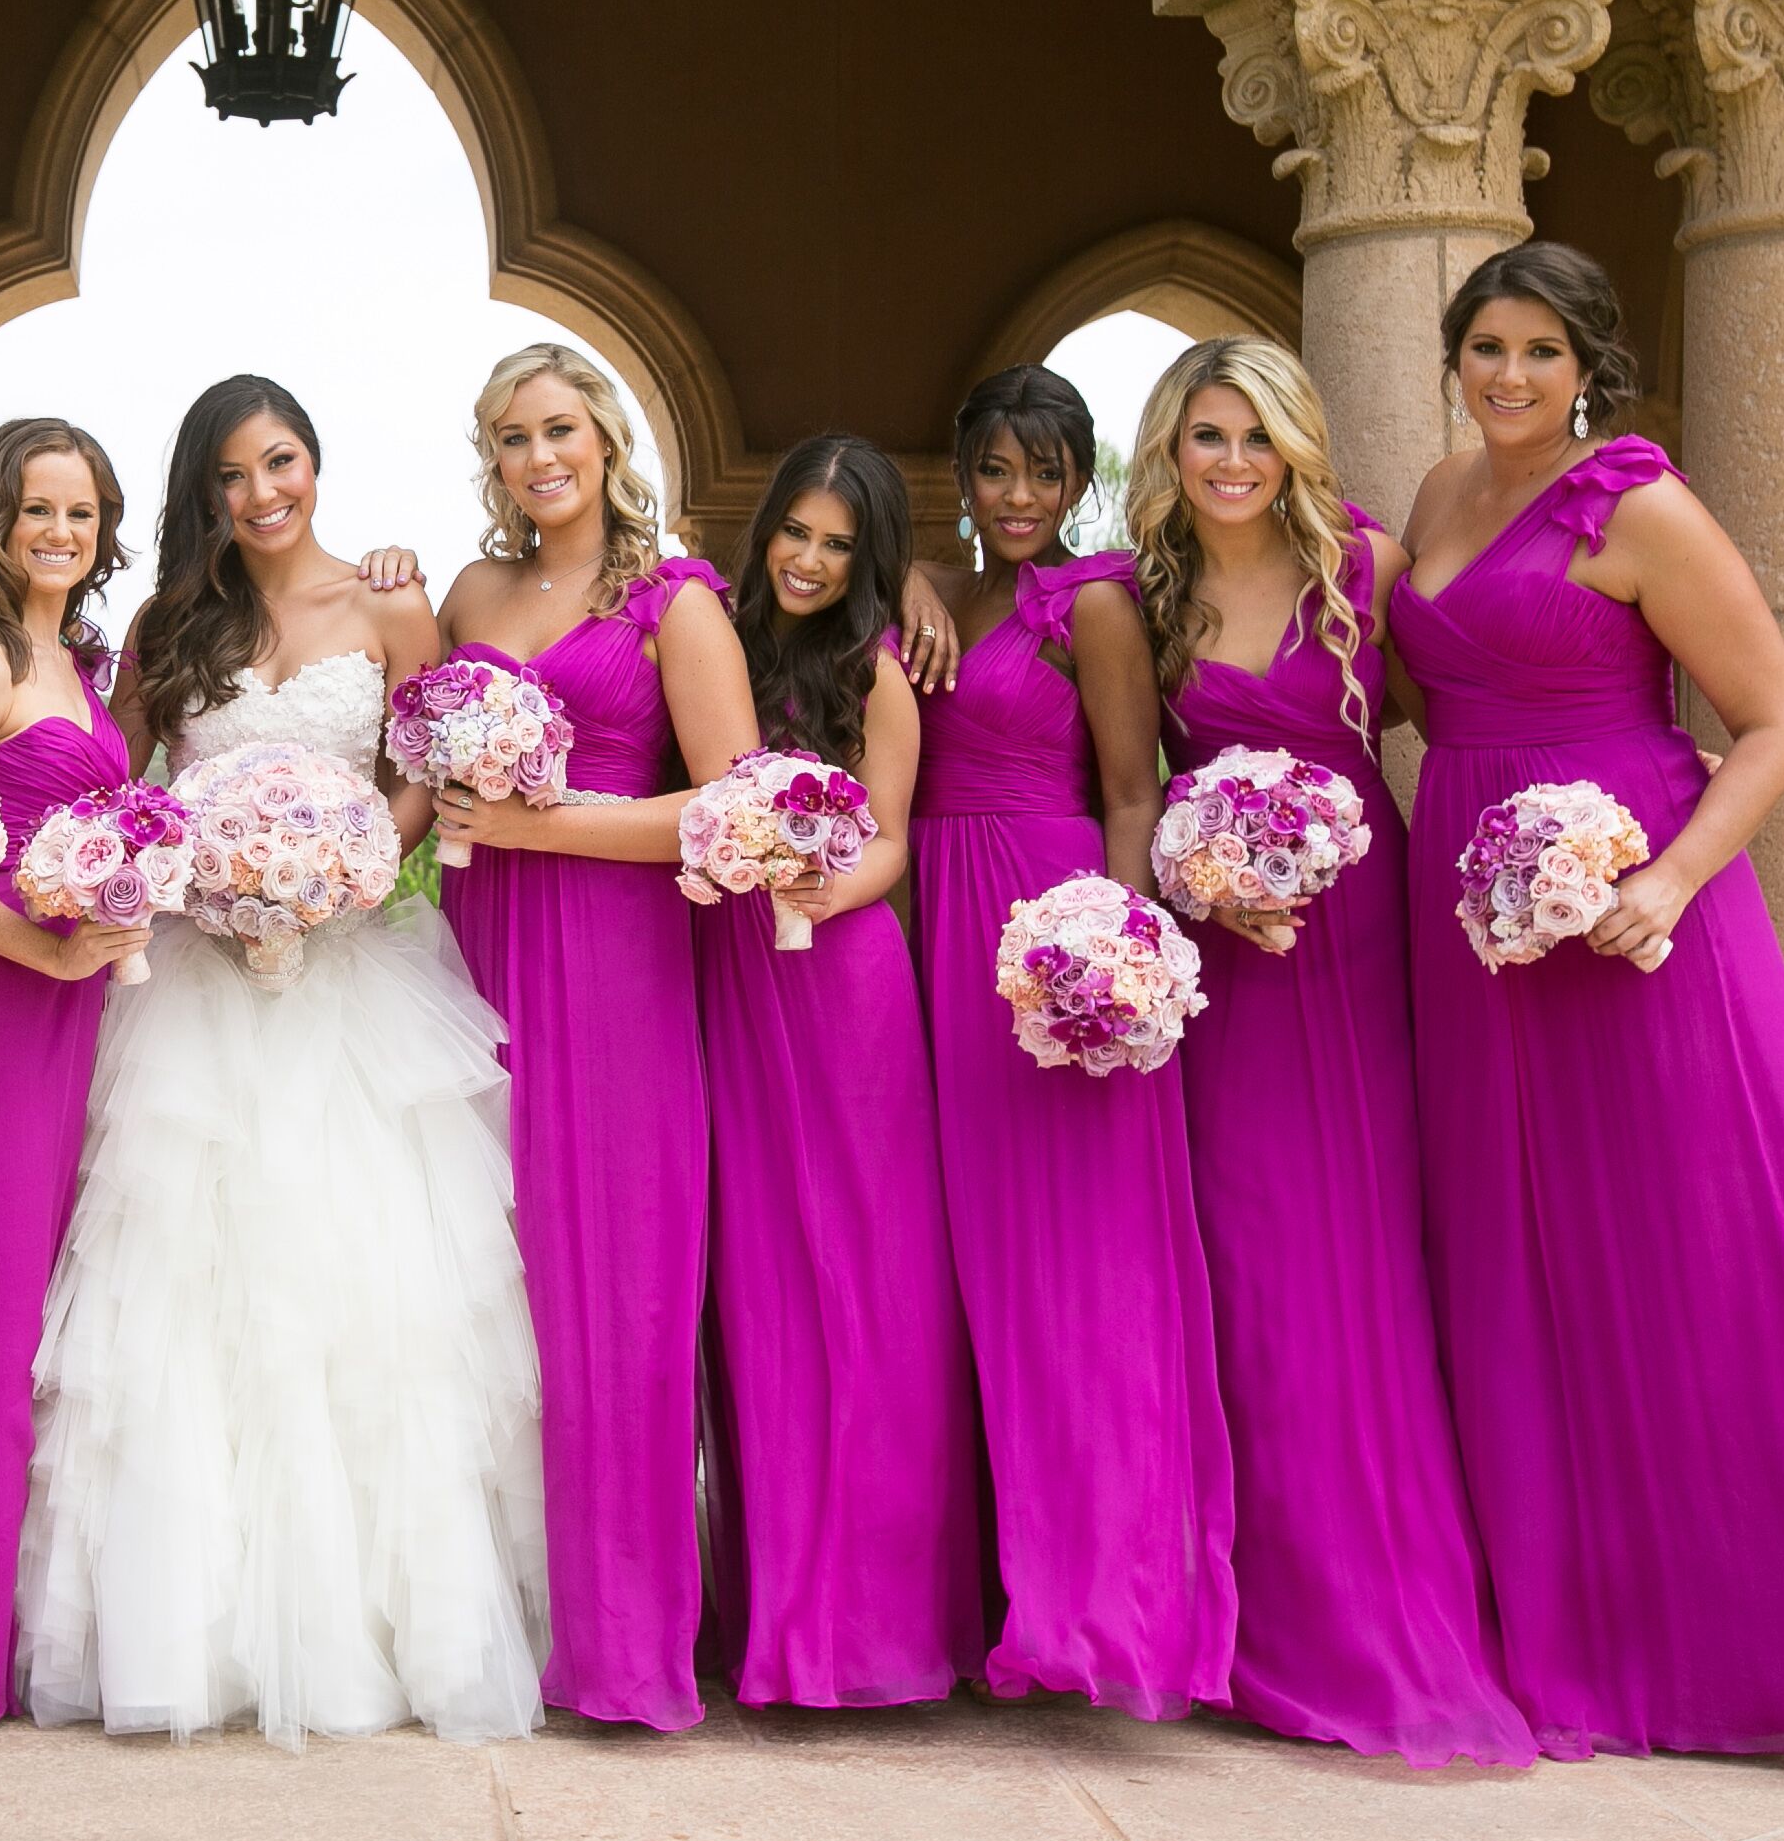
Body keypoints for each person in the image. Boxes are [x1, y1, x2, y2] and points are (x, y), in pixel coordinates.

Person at [1391, 241, 1784, 1757]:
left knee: (1679, 1252)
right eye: (1487, 349)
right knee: (1509, 1260)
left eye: (1540, 351)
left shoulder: (1641, 507)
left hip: (1627, 926)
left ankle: (1767, 1646)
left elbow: (1778, 716)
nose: (1511, 376)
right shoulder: (1436, 499)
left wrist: (1664, 883)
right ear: (1455, 359)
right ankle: (1562, 1631)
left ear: (1589, 361)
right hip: (1470, 921)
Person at [23, 373, 545, 1746]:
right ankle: (189, 1637)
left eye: (283, 464)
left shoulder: (388, 603)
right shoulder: (166, 626)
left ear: (317, 461)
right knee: (194, 1290)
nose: (264, 497)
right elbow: (126, 790)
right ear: (204, 495)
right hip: (198, 996)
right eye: (233, 480)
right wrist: (197, 875)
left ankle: (383, 1637)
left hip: (353, 975)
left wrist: (354, 857)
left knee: (361, 1288)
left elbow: (428, 763)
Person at [1128, 338, 1528, 1768]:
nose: (1232, 464)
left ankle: (1381, 1622)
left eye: (1256, 439)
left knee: (1360, 1256)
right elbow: (1131, 783)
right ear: (1171, 450)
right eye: (1206, 438)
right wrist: (1195, 880)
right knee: (1251, 1267)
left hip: (1358, 948)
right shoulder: (1145, 597)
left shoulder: (1367, 572)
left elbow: (1472, 719)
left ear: (1296, 446)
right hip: (1228, 964)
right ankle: (1253, 1623)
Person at [433, 341, 756, 1733]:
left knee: (616, 1299)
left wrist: (536, 823)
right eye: (511, 437)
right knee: (492, 1298)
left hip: (620, 972)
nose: (538, 457)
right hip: (482, 957)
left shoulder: (672, 603)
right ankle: (500, 1626)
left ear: (609, 441)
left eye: (560, 429)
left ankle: (628, 1650)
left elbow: (737, 812)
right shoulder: (469, 595)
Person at [911, 363, 1236, 1724]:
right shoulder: (952, 590)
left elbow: (1129, 789)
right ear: (966, 476)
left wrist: (1113, 963)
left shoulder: (1092, 602)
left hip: (1049, 929)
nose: (1023, 497)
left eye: (1047, 472)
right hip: (934, 918)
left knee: (1073, 1273)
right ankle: (988, 1595)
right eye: (997, 470)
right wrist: (920, 582)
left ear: (1079, 476)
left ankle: (1097, 1612)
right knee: (968, 1266)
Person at [692, 432, 985, 1713]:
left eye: (839, 543)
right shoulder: (702, 635)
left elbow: (892, 839)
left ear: (869, 560)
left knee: (867, 1275)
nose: (808, 560)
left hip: (844, 980)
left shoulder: (877, 667)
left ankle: (874, 1623)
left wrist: (818, 875)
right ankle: (769, 1617)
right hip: (724, 978)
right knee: (755, 1280)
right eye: (794, 534)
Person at [0, 418, 148, 1728]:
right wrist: (47, 957)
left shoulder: (73, 659)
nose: (59, 534)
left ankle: (12, 1627)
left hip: (71, 1011)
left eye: (80, 513)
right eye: (38, 511)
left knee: (46, 1315)